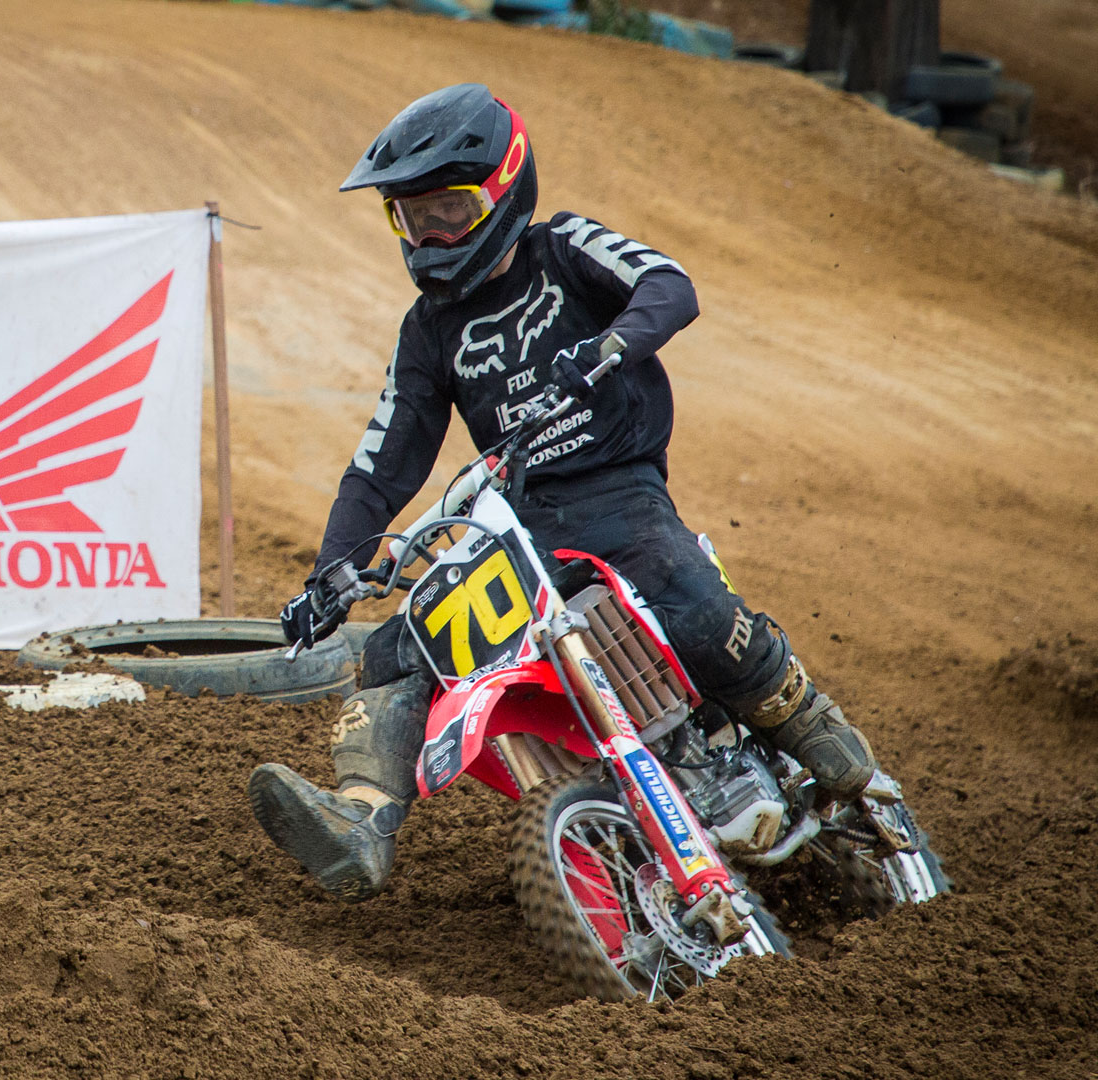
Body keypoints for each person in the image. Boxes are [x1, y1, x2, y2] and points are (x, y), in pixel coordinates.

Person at [247, 84, 877, 903]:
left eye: (449, 206)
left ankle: (805, 718)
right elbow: (383, 463)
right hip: (524, 521)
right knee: (395, 650)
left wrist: (610, 346)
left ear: (507, 184)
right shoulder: (428, 330)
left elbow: (669, 285)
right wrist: (328, 574)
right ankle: (361, 822)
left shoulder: (564, 247)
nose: (432, 234)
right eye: (412, 217)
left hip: (619, 488)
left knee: (675, 585)